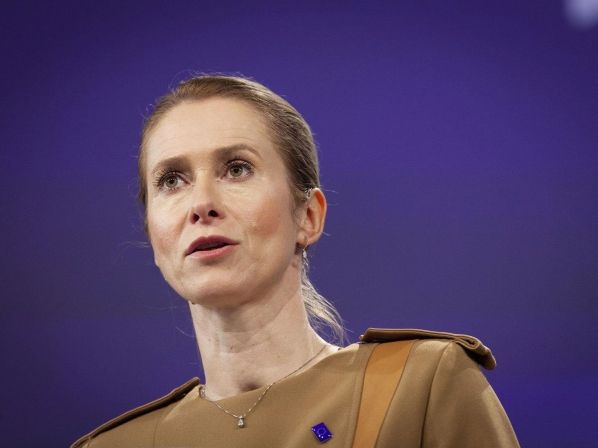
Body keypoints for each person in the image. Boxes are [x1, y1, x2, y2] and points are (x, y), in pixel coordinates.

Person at [71, 75, 520, 448]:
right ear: (154, 235)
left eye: (237, 169)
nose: (201, 203)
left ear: (308, 217)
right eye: (172, 180)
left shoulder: (419, 388)